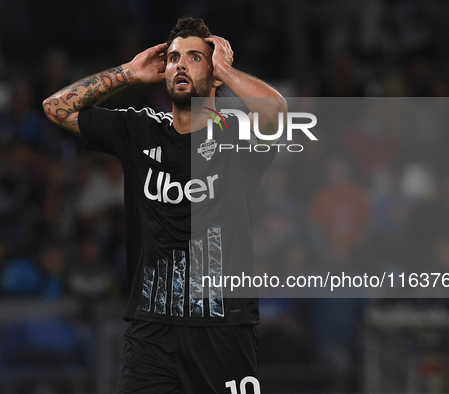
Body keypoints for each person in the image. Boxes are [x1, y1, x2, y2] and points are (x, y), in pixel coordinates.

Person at [43, 17, 286, 394]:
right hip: (150, 330)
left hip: (221, 327)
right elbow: (56, 108)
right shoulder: (140, 130)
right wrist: (127, 72)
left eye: (195, 58)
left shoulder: (236, 134)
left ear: (215, 73)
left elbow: (276, 114)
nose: (181, 65)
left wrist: (226, 69)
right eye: (174, 58)